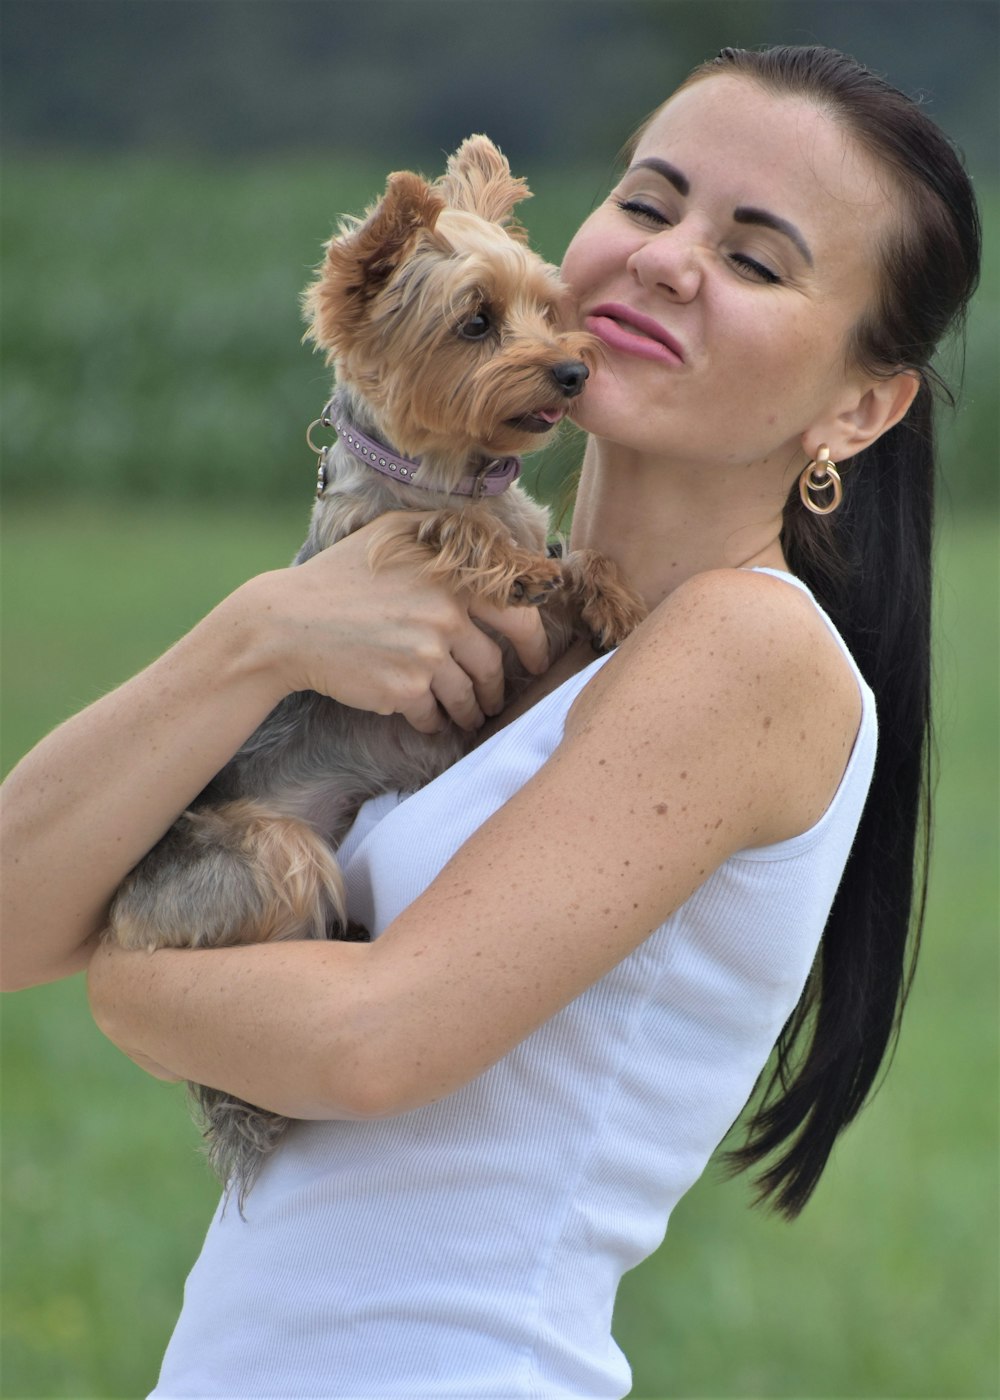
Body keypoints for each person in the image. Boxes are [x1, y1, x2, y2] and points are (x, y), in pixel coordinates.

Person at [0, 44, 981, 1399]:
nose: (669, 261)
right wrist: (261, 633)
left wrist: (124, 981)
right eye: (648, 202)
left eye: (756, 260)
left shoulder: (744, 649)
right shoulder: (439, 620)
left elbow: (371, 1042)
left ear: (859, 408)